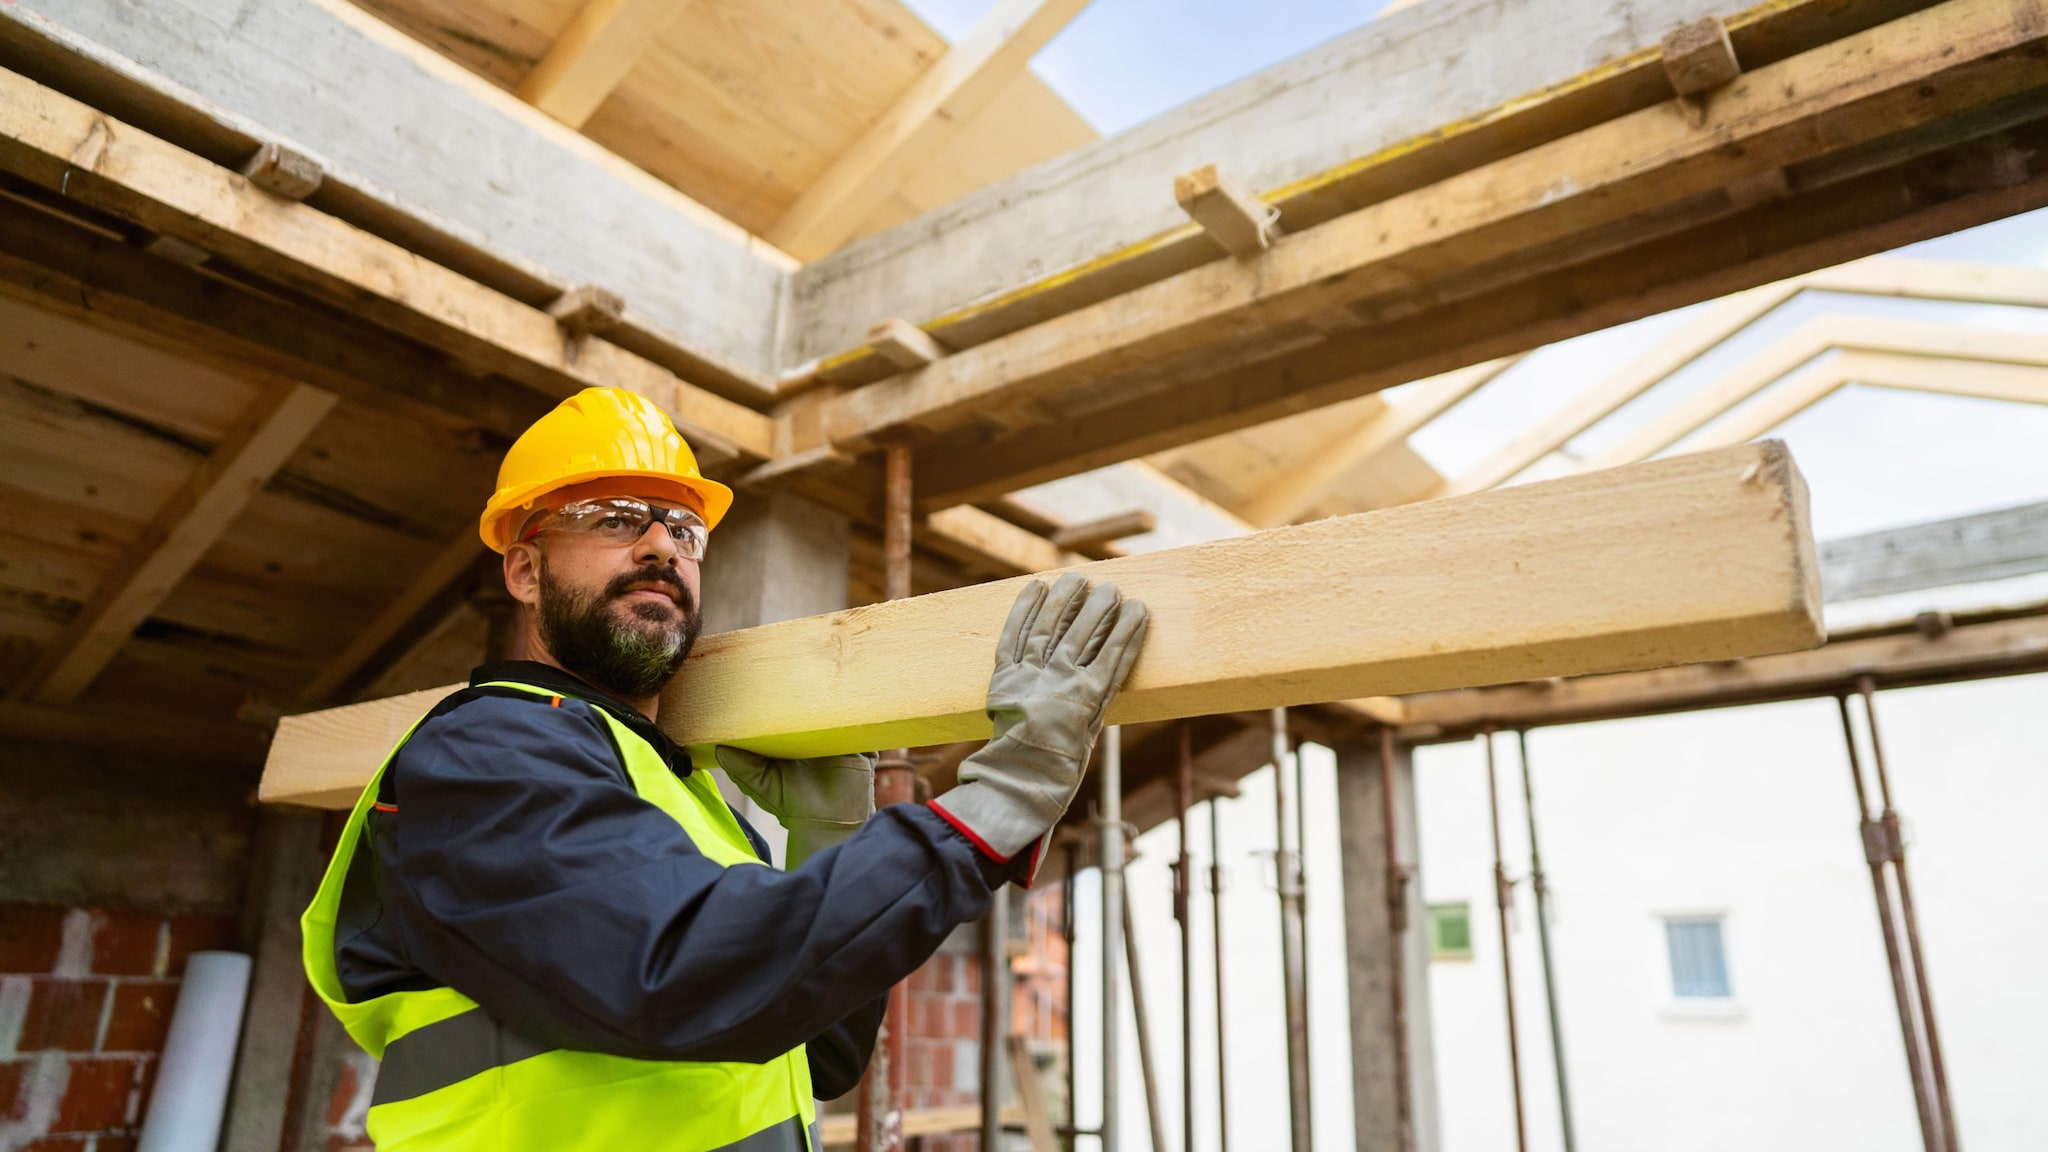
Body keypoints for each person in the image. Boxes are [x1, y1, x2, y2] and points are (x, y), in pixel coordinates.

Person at [299, 387, 1148, 1151]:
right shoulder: (486, 756)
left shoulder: (678, 793)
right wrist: (1000, 802)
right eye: (614, 515)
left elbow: (817, 1054)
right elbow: (681, 975)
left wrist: (825, 840)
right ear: (525, 568)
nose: (663, 545)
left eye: (683, 528)